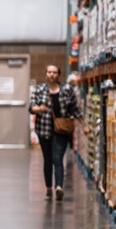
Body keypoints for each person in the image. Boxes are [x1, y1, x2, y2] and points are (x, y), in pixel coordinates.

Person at [29, 63, 81, 201]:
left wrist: (85, 125)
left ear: (59, 75)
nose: (51, 74)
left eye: (54, 72)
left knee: (58, 158)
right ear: (46, 74)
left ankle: (59, 187)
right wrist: (38, 109)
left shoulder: (67, 89)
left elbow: (75, 108)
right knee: (48, 159)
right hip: (44, 129)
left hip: (62, 129)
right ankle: (48, 188)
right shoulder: (39, 90)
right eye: (49, 72)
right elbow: (31, 106)